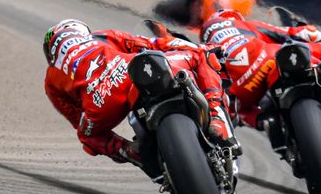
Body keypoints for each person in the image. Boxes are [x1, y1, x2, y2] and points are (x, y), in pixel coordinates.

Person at [43, 19, 239, 168]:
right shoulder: (99, 36)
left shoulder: (51, 79)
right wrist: (203, 48)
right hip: (130, 75)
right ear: (81, 31)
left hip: (101, 105)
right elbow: (148, 44)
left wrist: (92, 122)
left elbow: (76, 118)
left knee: (87, 136)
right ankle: (216, 116)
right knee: (200, 55)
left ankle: (131, 152)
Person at [199, 9, 321, 132]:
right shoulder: (247, 25)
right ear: (233, 18)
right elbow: (299, 32)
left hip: (240, 89)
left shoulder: (204, 50)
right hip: (266, 61)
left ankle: (265, 122)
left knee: (233, 108)